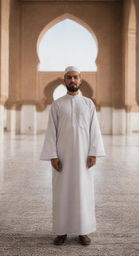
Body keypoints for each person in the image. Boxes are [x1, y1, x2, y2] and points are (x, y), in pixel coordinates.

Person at [40, 66, 105, 246]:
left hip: (84, 158)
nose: (72, 80)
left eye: (75, 77)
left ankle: (83, 231)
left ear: (80, 80)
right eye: (69, 77)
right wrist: (53, 156)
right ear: (64, 81)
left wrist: (93, 153)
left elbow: (94, 130)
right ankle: (61, 231)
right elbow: (51, 131)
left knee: (84, 193)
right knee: (62, 193)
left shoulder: (88, 104)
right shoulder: (58, 104)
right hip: (63, 158)